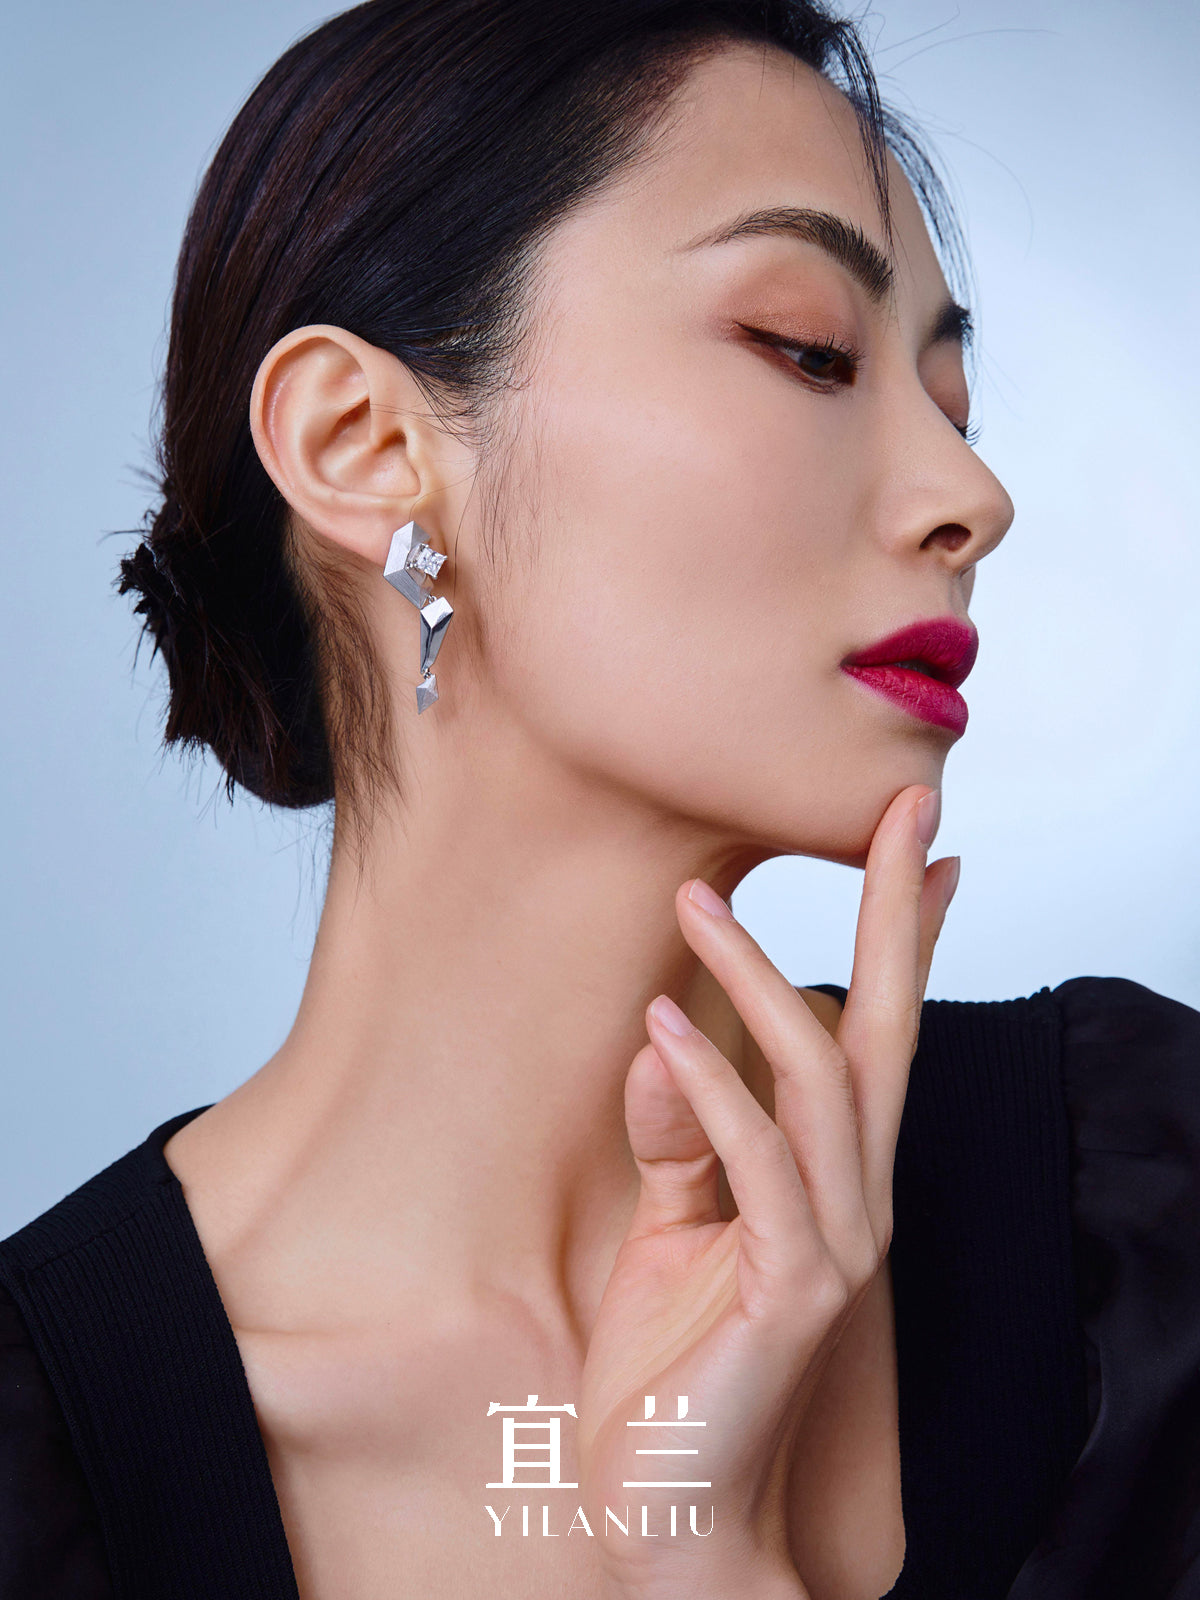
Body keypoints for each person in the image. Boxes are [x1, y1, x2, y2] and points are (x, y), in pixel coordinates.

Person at [3, 2, 1199, 1597]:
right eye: (811, 351)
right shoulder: (43, 1465)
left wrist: (713, 1562)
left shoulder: (1144, 1218)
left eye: (954, 408)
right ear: (362, 445)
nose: (972, 498)